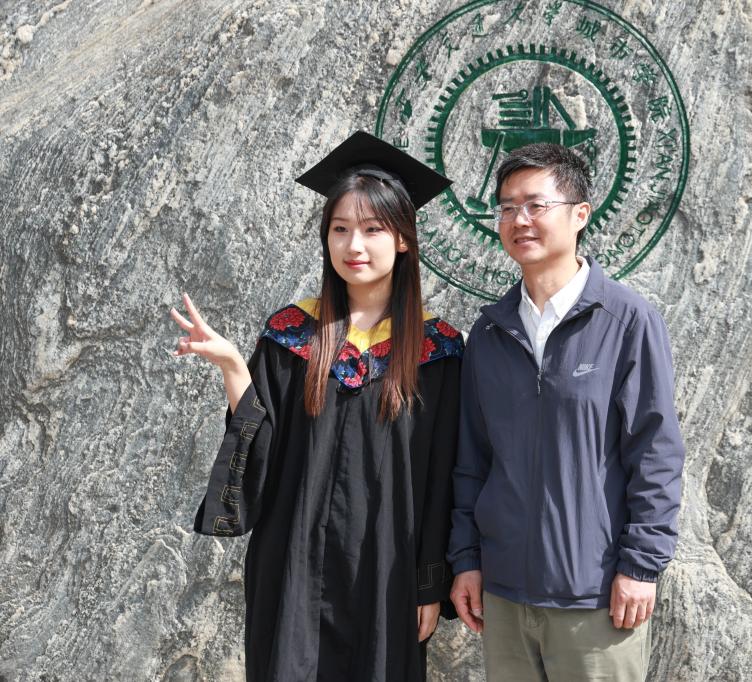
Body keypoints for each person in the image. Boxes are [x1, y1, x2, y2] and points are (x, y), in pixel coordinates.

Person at [171, 132, 464, 681]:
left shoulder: (437, 350)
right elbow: (262, 451)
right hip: (294, 566)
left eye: (373, 229)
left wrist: (430, 583)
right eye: (340, 228)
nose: (354, 244)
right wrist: (233, 366)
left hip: (389, 570)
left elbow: (442, 477)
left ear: (403, 238)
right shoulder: (292, 335)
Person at [447, 143, 685, 680]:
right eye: (507, 207)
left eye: (536, 205)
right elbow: (471, 460)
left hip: (596, 596)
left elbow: (655, 453)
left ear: (580, 214)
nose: (519, 220)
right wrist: (466, 560)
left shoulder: (626, 321)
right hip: (504, 595)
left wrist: (641, 566)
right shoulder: (490, 332)